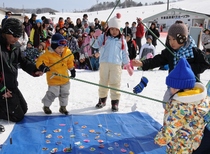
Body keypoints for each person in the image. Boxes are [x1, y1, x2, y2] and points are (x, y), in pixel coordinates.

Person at [131, 20, 210, 153]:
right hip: (174, 87)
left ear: (182, 38)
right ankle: (172, 127)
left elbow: (205, 64)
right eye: (170, 39)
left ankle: (185, 128)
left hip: (190, 89)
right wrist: (143, 64)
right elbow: (158, 60)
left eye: (175, 39)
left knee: (187, 110)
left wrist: (187, 69)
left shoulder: (193, 51)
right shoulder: (169, 51)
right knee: (169, 105)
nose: (172, 42)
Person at [154, 58, 209, 154]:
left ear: (177, 87)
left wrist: (160, 139)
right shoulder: (201, 99)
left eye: (171, 87)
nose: (170, 90)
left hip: (178, 144)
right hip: (193, 142)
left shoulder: (178, 105)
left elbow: (171, 126)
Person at [0, 18, 43, 122]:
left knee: (23, 109)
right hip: (2, 87)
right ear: (6, 32)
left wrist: (35, 69)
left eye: (18, 36)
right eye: (14, 35)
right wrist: (1, 89)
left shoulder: (15, 46)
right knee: (17, 116)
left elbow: (23, 61)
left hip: (11, 85)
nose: (16, 38)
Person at [95, 13, 133, 112]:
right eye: (112, 29)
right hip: (104, 63)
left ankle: (115, 102)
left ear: (119, 30)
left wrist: (127, 64)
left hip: (116, 64)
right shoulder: (104, 37)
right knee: (103, 82)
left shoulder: (122, 40)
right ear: (109, 29)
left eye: (116, 29)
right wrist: (96, 37)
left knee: (115, 82)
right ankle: (102, 100)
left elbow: (125, 53)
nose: (114, 31)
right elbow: (95, 45)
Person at [36, 33, 76, 115]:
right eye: (59, 48)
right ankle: (46, 106)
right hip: (53, 79)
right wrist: (42, 67)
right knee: (52, 94)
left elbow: (70, 62)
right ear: (54, 46)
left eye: (63, 47)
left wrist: (72, 70)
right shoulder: (48, 54)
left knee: (65, 93)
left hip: (65, 78)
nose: (61, 49)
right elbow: (40, 62)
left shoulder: (67, 52)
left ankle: (63, 107)